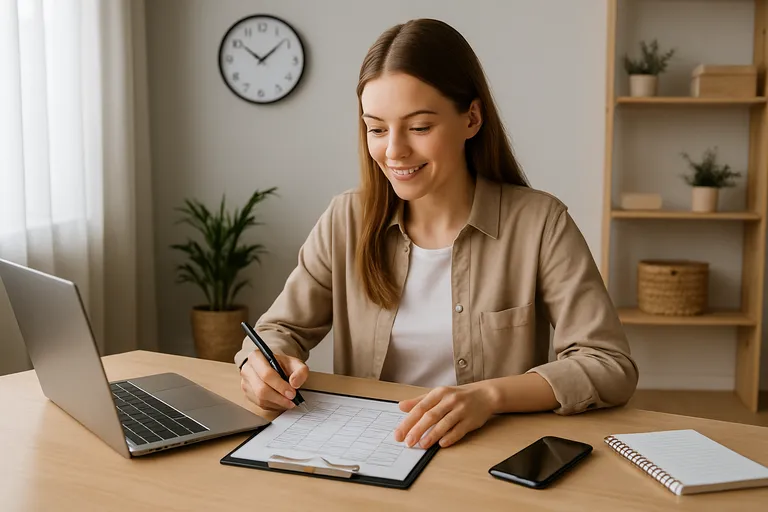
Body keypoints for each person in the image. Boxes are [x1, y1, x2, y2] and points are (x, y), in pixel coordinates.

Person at [235, 18, 638, 451]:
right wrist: (261, 364)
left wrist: (489, 395)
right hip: (370, 452)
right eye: (377, 128)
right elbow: (279, 329)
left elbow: (608, 364)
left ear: (472, 118)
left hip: (487, 456)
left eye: (420, 127)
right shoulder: (344, 220)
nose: (394, 151)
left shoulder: (540, 223)